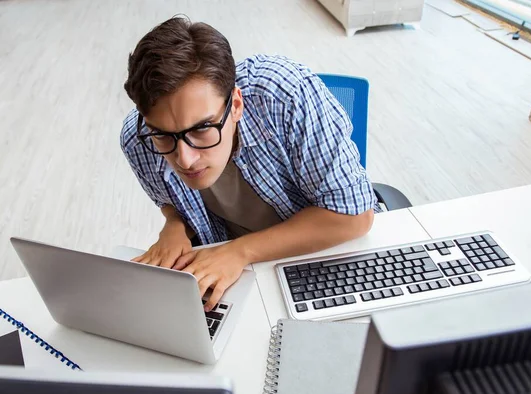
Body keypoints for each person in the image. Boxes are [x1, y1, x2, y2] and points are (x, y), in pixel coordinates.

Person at [120, 16, 379, 311]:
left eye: (202, 129)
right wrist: (175, 225)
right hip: (237, 280)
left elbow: (355, 216)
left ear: (236, 106)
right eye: (163, 135)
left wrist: (240, 252)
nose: (185, 159)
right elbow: (172, 200)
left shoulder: (284, 96)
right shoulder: (138, 139)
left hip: (319, 260)